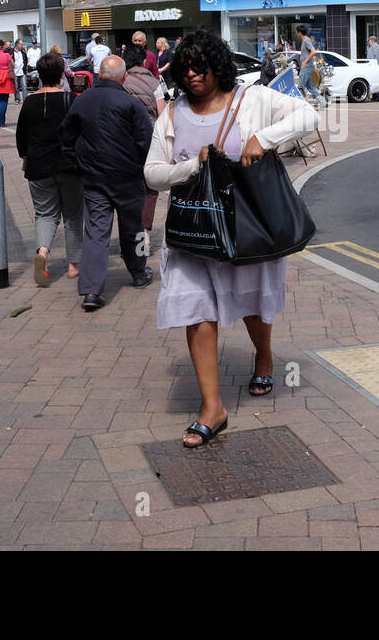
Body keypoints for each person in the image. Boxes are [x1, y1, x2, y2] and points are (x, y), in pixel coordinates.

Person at [144, 29, 321, 448]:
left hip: (246, 226)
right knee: (194, 309)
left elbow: (308, 115)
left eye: (200, 66)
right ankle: (213, 408)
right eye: (184, 69)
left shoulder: (253, 100)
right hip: (193, 230)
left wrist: (264, 137)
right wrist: (192, 168)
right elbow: (151, 174)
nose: (192, 75)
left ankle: (263, 355)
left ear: (218, 65)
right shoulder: (169, 114)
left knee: (253, 304)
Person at [61, 55, 154, 311]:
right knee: (132, 227)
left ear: (99, 74)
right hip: (127, 176)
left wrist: (77, 163)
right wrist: (143, 169)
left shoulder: (82, 102)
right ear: (124, 77)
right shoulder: (131, 103)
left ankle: (91, 290)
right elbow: (146, 141)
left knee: (96, 233)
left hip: (94, 177)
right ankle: (138, 273)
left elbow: (66, 136)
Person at [17, 53, 82, 287]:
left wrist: (25, 156)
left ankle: (43, 253)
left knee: (45, 214)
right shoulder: (71, 100)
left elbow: (21, 136)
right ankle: (74, 265)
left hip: (38, 166)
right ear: (61, 74)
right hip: (68, 167)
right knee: (73, 215)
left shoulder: (29, 101)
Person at [122, 44, 165, 257]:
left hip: (123, 143)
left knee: (128, 189)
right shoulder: (155, 82)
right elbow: (162, 114)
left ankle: (129, 240)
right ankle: (144, 234)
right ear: (143, 61)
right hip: (149, 141)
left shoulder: (119, 82)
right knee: (150, 189)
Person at [294, 25, 327, 108]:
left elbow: (313, 52)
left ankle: (300, 105)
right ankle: (324, 102)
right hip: (308, 66)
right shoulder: (305, 41)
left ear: (300, 32)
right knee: (310, 87)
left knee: (300, 86)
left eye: (297, 32)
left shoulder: (306, 41)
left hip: (306, 66)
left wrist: (305, 61)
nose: (297, 34)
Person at [0, 39, 15, 126]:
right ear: (1, 46)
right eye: (4, 45)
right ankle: (1, 122)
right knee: (4, 101)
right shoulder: (7, 55)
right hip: (5, 78)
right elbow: (13, 65)